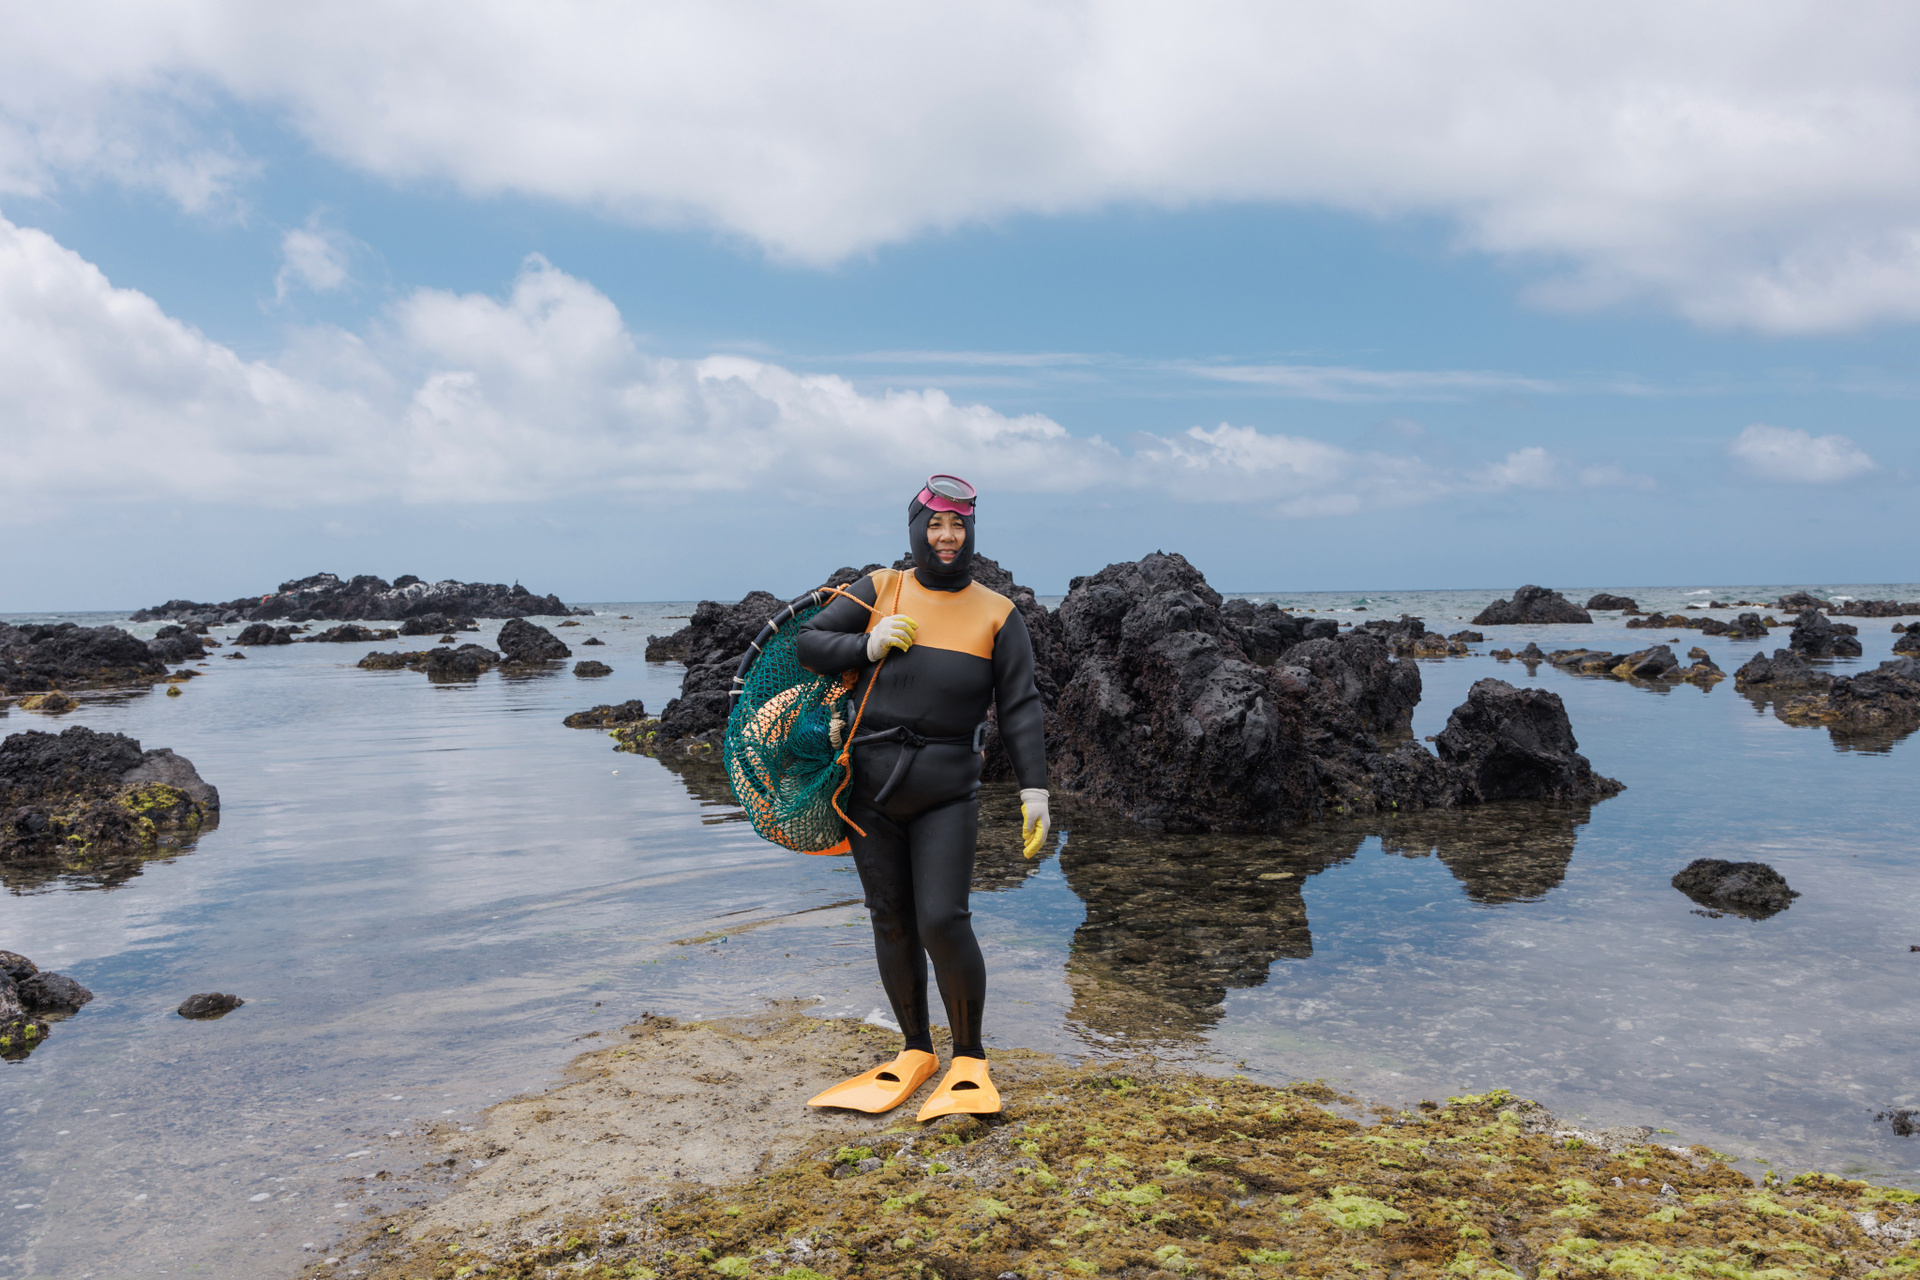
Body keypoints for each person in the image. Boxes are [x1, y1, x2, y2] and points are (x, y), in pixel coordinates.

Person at [795, 474, 1050, 1120]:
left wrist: (1035, 790)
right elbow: (809, 644)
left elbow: (1020, 707)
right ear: (916, 528)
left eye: (958, 524)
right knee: (890, 917)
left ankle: (969, 1059)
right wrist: (867, 643)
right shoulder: (881, 589)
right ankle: (914, 1050)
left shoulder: (998, 613)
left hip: (946, 791)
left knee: (943, 918)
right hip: (868, 787)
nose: (946, 536)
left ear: (972, 531)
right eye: (935, 523)